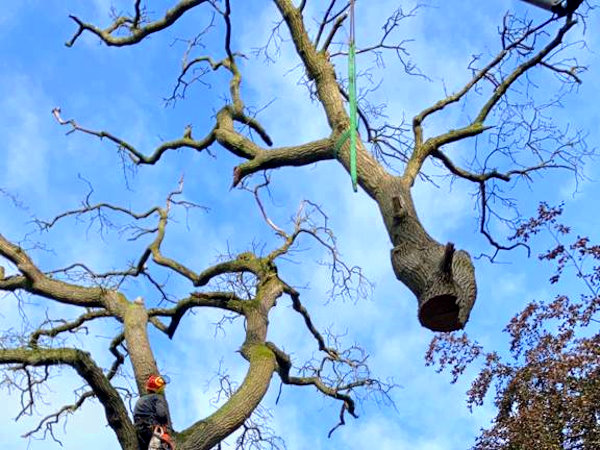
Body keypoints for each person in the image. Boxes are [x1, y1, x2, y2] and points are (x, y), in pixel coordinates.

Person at [133, 374, 174, 450]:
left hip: (140, 433)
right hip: (152, 430)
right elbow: (161, 414)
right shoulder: (158, 398)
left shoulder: (140, 400)